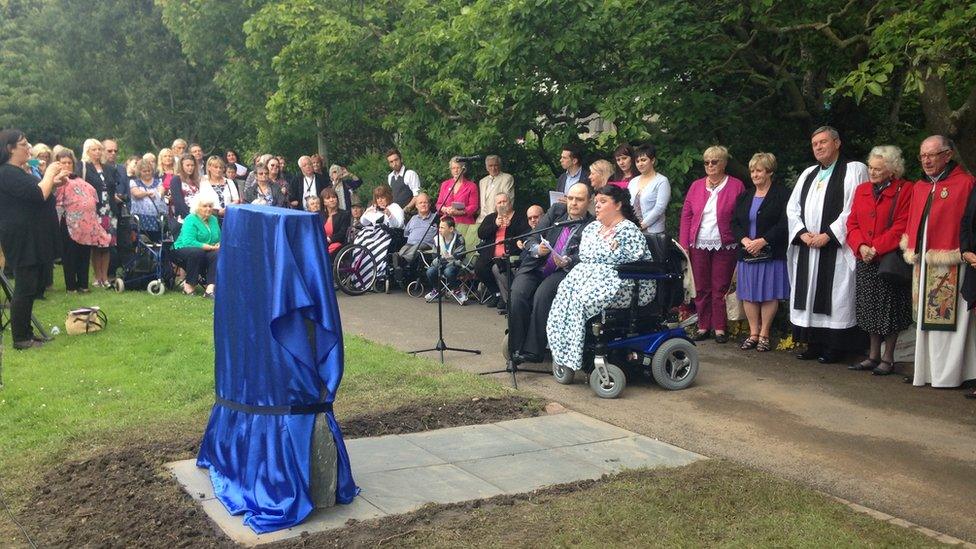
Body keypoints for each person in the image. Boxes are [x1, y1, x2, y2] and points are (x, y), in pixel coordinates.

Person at [547, 184, 653, 372]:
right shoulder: (592, 228)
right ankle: (563, 353)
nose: (596, 206)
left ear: (618, 205)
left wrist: (603, 256)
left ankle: (574, 355)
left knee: (581, 301)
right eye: (596, 202)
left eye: (603, 202)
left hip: (625, 283)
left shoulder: (629, 229)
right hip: (587, 279)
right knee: (562, 297)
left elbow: (626, 259)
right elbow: (587, 255)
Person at [787, 126, 869, 364]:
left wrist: (829, 235)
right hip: (808, 246)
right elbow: (792, 208)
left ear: (837, 143)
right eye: (815, 144)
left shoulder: (854, 170)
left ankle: (835, 348)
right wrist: (802, 233)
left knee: (836, 296)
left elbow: (854, 207)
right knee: (810, 294)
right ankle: (814, 344)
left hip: (835, 247)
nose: (819, 147)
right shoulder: (808, 173)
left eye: (823, 142)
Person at [905, 135, 976, 391]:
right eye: (923, 155)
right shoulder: (920, 186)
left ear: (947, 155)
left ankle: (949, 375)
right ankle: (925, 371)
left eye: (932, 155)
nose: (926, 160)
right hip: (923, 264)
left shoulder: (965, 184)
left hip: (951, 263)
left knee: (948, 321)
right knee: (925, 320)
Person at [508, 183, 593, 365]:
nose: (574, 203)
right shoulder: (556, 211)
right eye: (571, 198)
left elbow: (587, 255)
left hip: (562, 271)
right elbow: (533, 236)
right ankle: (514, 349)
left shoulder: (591, 225)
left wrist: (569, 260)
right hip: (536, 265)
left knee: (542, 295)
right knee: (517, 294)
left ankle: (533, 351)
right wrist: (537, 249)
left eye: (579, 199)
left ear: (589, 201)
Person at [846, 146, 913, 375]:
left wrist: (877, 248)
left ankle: (888, 357)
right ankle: (873, 355)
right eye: (870, 168)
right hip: (865, 258)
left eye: (878, 169)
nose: (872, 173)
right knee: (869, 309)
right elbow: (852, 223)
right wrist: (861, 246)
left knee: (890, 310)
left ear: (892, 170)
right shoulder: (862, 189)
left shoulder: (905, 190)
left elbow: (902, 226)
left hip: (888, 260)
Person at [0, 129, 70, 349]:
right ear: (10, 149)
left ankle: (27, 333)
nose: (28, 148)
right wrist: (49, 174)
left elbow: (35, 194)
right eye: (23, 145)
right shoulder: (7, 173)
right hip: (21, 236)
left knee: (31, 284)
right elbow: (39, 194)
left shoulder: (19, 172)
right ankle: (20, 338)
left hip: (31, 234)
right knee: (25, 285)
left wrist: (53, 182)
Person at [679, 145, 746, 343]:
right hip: (698, 243)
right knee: (701, 287)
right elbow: (687, 215)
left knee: (720, 287)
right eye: (706, 162)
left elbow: (741, 216)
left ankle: (720, 328)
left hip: (725, 244)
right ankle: (702, 325)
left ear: (724, 163)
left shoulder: (736, 185)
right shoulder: (696, 186)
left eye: (714, 161)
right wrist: (684, 243)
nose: (710, 165)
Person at [731, 152, 790, 352]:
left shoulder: (782, 194)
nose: (754, 175)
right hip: (747, 252)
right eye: (752, 171)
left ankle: (765, 333)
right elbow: (735, 223)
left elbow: (785, 223)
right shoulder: (745, 196)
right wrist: (745, 240)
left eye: (759, 171)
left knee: (768, 294)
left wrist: (763, 241)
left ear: (769, 172)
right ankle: (753, 333)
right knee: (749, 294)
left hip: (771, 252)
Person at [54, 149, 110, 293]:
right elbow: (56, 203)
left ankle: (83, 285)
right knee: (70, 255)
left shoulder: (80, 180)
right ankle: (71, 287)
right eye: (63, 163)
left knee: (84, 254)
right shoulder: (55, 181)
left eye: (69, 162)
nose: (66, 165)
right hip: (68, 223)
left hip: (86, 224)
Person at [477, 192, 529, 310]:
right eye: (499, 202)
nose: (502, 204)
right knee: (480, 268)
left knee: (500, 267)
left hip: (510, 253)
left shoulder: (520, 217)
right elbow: (481, 234)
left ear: (510, 203)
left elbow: (525, 233)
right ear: (495, 205)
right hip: (490, 254)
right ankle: (496, 293)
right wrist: (495, 224)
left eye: (504, 201)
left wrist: (510, 226)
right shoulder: (491, 217)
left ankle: (506, 298)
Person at [82, 138, 119, 288]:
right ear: (87, 151)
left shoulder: (109, 168)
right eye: (94, 149)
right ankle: (97, 277)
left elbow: (112, 188)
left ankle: (105, 276)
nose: (97, 152)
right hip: (94, 210)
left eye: (99, 149)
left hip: (109, 210)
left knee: (107, 244)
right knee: (96, 245)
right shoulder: (84, 167)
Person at [172, 194, 220, 298]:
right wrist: (210, 247)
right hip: (183, 248)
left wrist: (218, 244)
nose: (208, 208)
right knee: (197, 252)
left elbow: (218, 238)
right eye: (205, 206)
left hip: (206, 250)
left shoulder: (213, 219)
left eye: (210, 206)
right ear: (197, 207)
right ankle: (189, 285)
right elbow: (188, 241)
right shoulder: (191, 219)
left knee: (218, 254)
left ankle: (210, 289)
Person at [435, 157, 480, 250]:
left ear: (463, 169)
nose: (455, 170)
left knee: (460, 249)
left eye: (458, 168)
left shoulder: (471, 186)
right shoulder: (445, 184)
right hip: (446, 223)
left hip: (464, 223)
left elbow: (474, 207)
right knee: (444, 250)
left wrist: (459, 212)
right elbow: (439, 204)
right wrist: (445, 209)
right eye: (453, 168)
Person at [628, 144, 670, 235]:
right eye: (637, 161)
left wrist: (642, 225)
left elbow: (660, 208)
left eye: (643, 160)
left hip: (654, 232)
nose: (640, 164)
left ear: (653, 160)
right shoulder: (633, 182)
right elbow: (628, 204)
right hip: (633, 230)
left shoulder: (662, 181)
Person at [424, 217, 468, 303]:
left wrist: (445, 259)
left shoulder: (459, 239)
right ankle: (437, 289)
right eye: (439, 227)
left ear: (451, 229)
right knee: (430, 271)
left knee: (448, 271)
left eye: (442, 227)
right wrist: (447, 258)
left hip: (455, 265)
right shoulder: (437, 239)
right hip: (441, 264)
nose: (439, 229)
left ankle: (456, 290)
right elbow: (435, 256)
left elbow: (458, 256)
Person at [129, 158, 167, 240]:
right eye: (144, 171)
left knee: (157, 241)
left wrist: (160, 192)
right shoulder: (134, 182)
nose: (147, 173)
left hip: (156, 218)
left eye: (149, 171)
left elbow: (162, 190)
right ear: (140, 172)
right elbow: (136, 194)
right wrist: (147, 193)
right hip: (140, 218)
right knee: (141, 242)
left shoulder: (158, 182)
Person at [476, 155, 515, 225]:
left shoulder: (507, 178)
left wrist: (501, 218)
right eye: (490, 166)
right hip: (481, 220)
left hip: (498, 219)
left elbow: (508, 201)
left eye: (495, 165)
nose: (493, 168)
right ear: (486, 167)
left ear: (500, 166)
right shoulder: (482, 181)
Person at [169, 155, 202, 223]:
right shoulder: (176, 179)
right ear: (182, 166)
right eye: (187, 165)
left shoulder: (195, 180)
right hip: (184, 218)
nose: (190, 168)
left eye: (192, 165)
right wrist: (190, 216)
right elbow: (179, 202)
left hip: (199, 216)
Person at [319, 187, 351, 255]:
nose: (331, 200)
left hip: (336, 243)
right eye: (328, 198)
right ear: (324, 202)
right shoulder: (319, 215)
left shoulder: (344, 214)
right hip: (321, 242)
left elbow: (342, 233)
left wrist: (328, 239)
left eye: (333, 197)